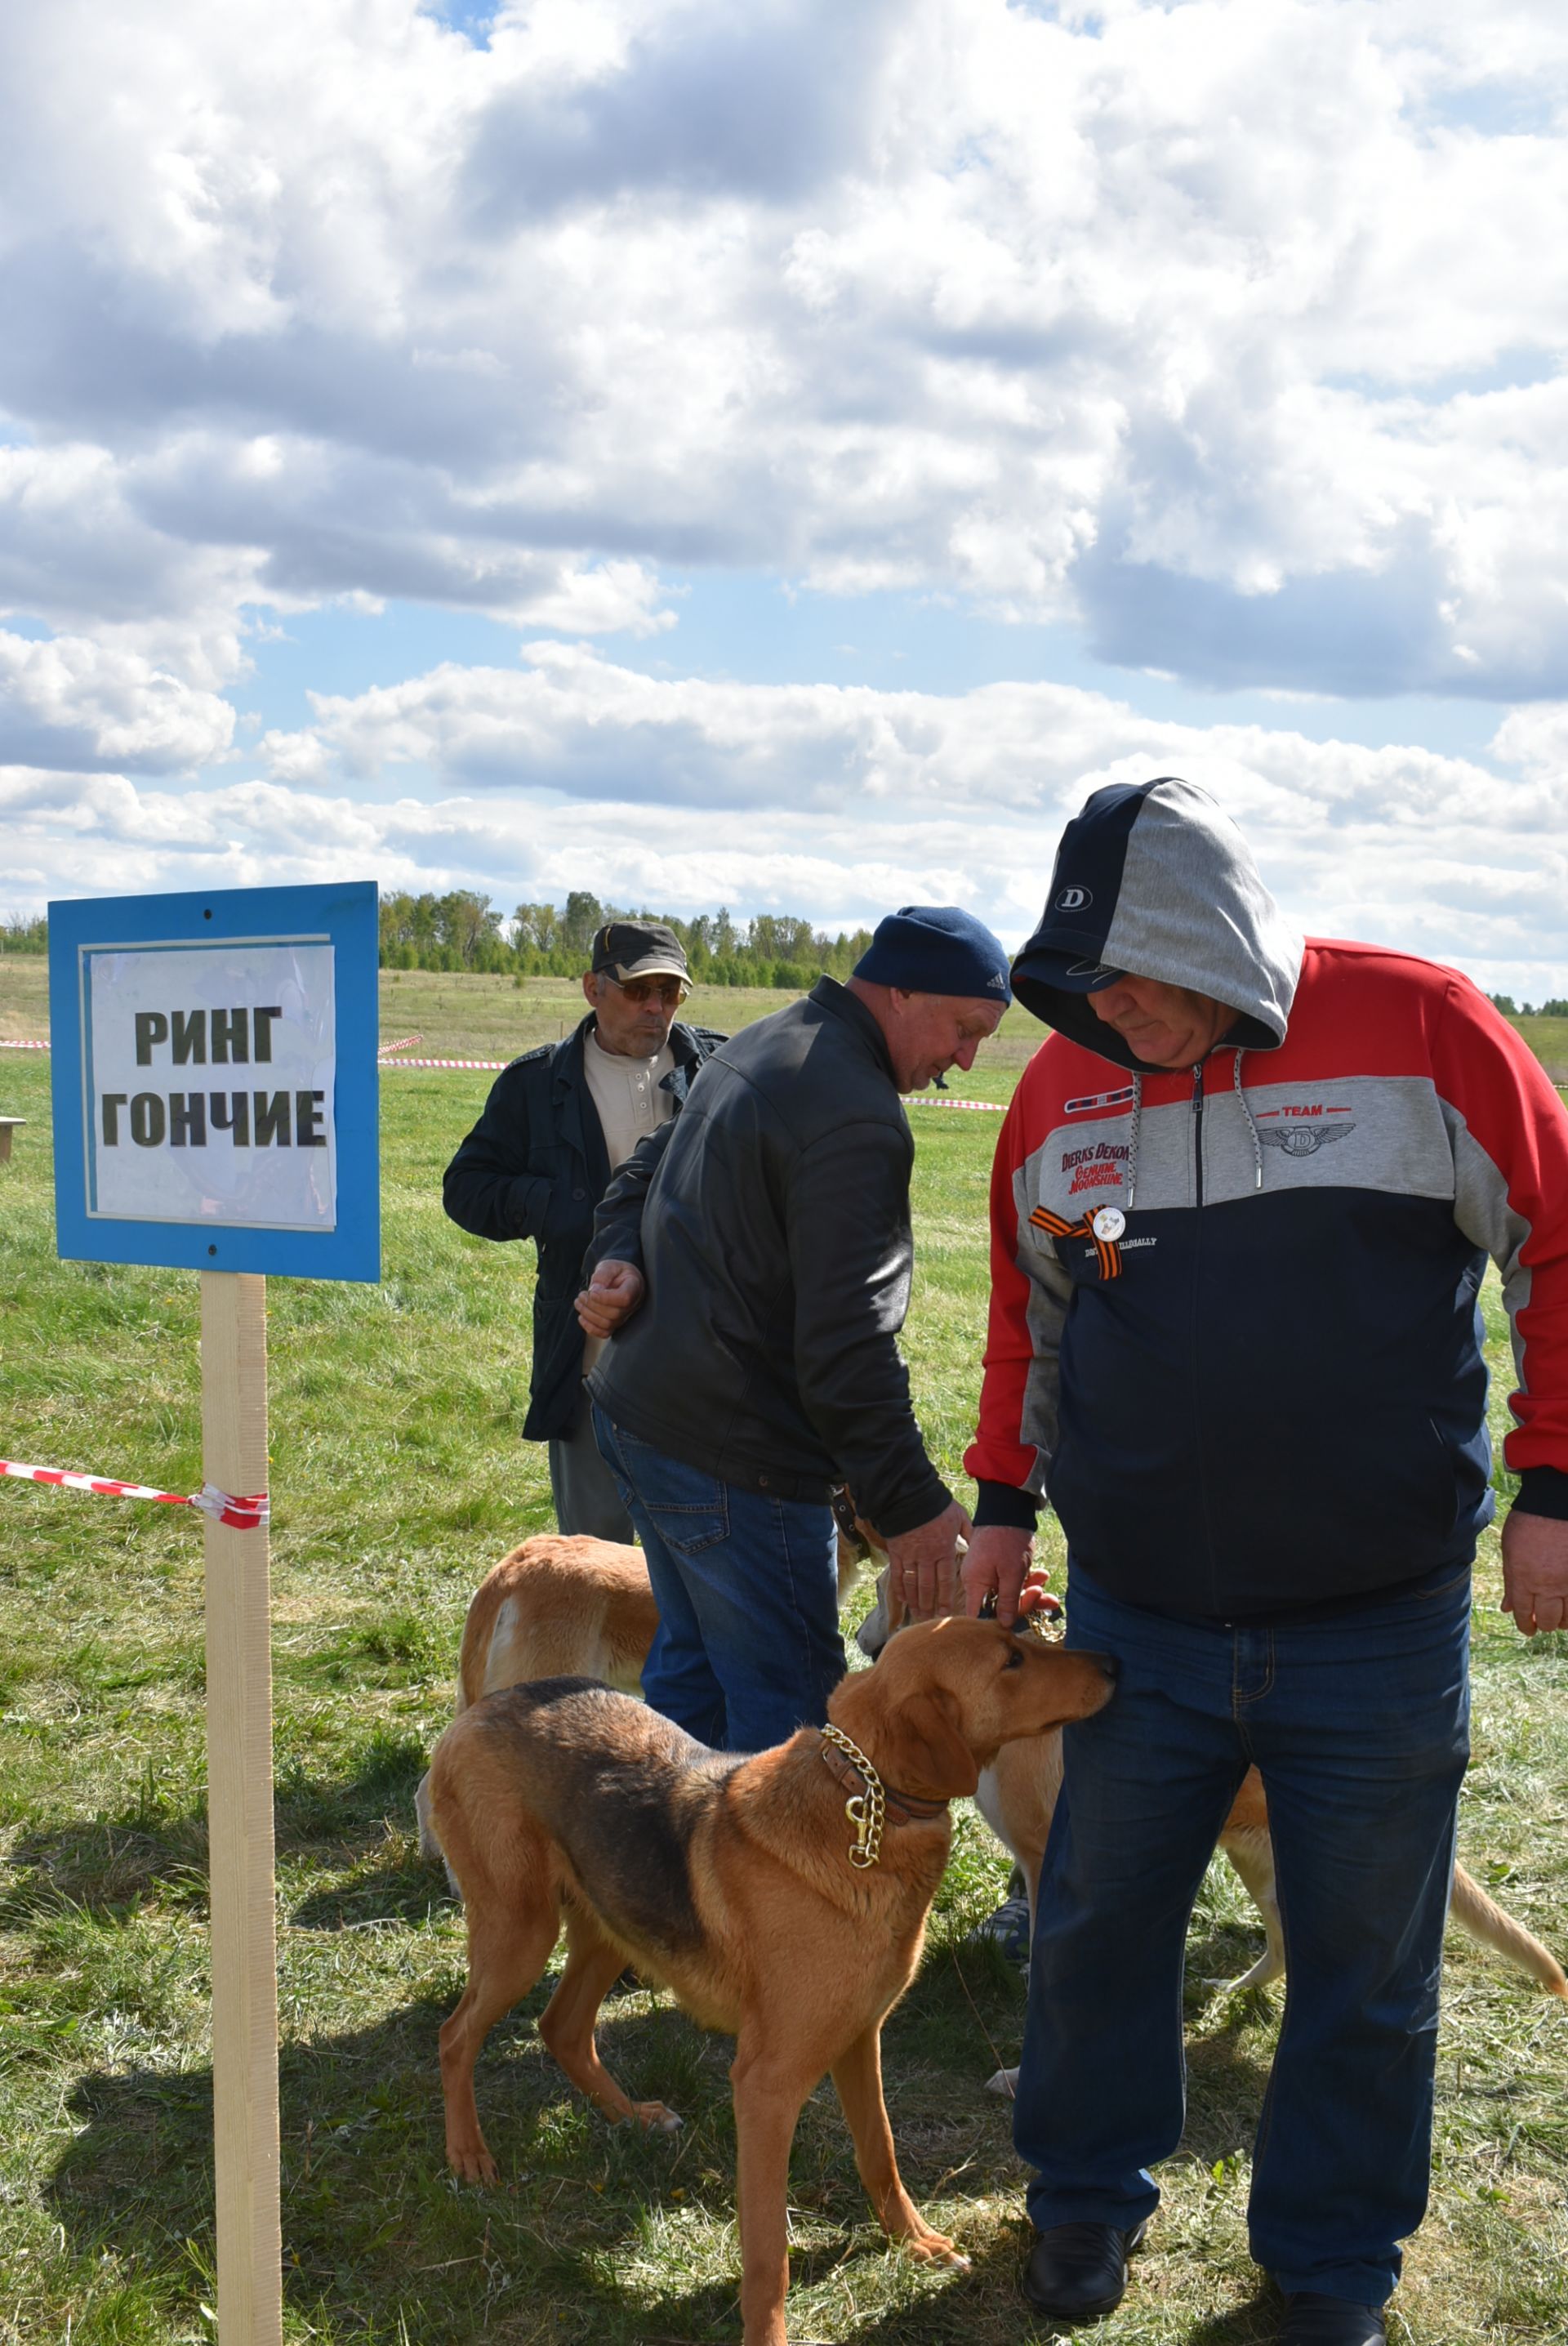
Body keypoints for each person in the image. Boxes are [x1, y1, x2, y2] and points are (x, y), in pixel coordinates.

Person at [962, 776, 1568, 2346]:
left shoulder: (1425, 1029)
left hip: (1376, 1624)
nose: (1116, 1008)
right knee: (1096, 1920)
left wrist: (1555, 1484)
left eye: (1142, 972)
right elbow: (1032, 1311)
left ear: (1218, 930)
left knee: (1365, 1965)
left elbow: (1557, 1242)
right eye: (1086, 980)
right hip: (1135, 1624)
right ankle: (1084, 2201)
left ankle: (1330, 2265)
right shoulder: (1063, 1090)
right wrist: (1003, 1499)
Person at [576, 905, 1011, 1752]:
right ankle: (769, 1883)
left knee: (690, 1685)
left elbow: (639, 1170)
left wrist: (619, 1254)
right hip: (737, 1462)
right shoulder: (855, 1114)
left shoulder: (764, 1039)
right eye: (964, 1030)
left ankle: (670, 1877)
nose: (964, 1059)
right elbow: (847, 1347)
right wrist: (913, 1506)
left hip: (640, 1417)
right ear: (903, 990)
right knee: (796, 1731)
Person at [443, 920, 725, 1540]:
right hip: (591, 1360)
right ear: (592, 988)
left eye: (671, 993)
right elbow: (465, 1189)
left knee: (704, 1559)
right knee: (597, 1563)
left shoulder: (723, 1073)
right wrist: (563, 1208)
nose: (657, 1008)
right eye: (638, 990)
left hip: (710, 1369)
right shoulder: (536, 1085)